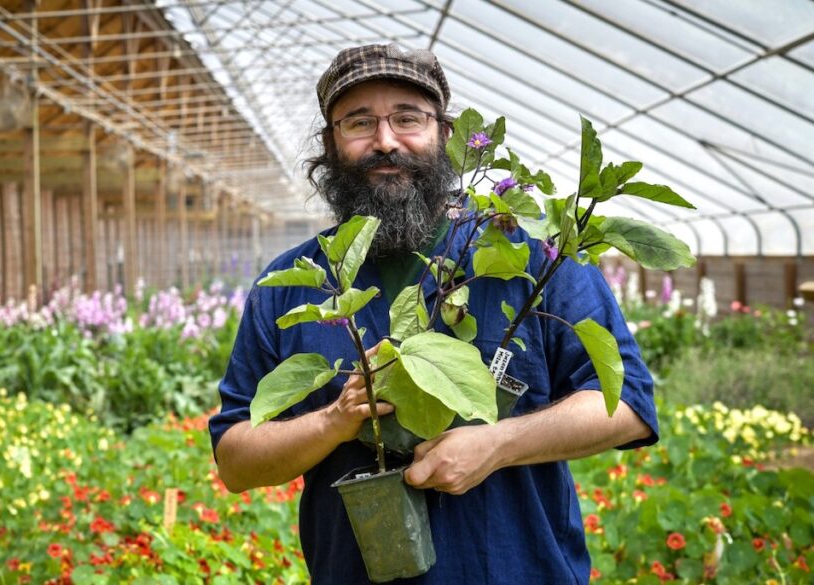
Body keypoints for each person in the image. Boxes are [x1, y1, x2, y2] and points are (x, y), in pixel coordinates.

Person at [208, 43, 658, 584]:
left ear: (445, 134)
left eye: (407, 118)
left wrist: (498, 444)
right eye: (358, 122)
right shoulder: (293, 283)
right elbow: (235, 460)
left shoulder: (533, 254)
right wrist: (336, 419)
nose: (385, 140)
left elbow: (626, 405)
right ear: (330, 144)